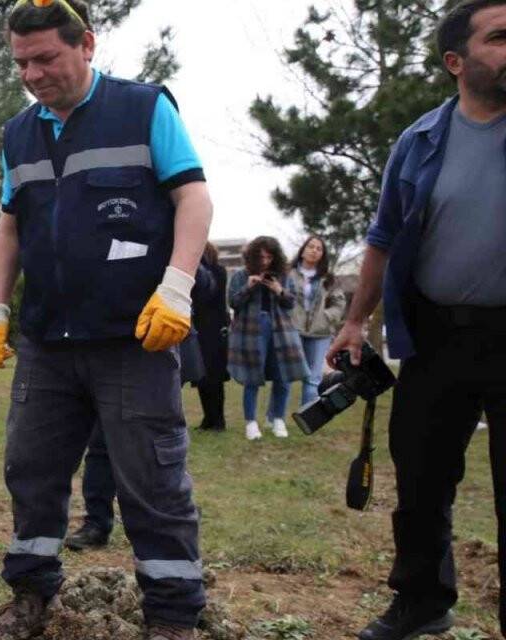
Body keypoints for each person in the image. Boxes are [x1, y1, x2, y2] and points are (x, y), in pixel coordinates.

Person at [0, 2, 214, 638]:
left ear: (87, 43)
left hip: (133, 337)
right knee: (31, 469)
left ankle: (171, 617)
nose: (32, 73)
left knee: (150, 479)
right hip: (47, 342)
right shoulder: (18, 133)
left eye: (46, 58)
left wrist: (178, 288)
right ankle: (30, 595)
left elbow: (193, 195)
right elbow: (9, 226)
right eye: (21, 61)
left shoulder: (143, 108)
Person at [326, 2, 506, 638]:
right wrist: (355, 324)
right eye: (500, 37)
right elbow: (382, 238)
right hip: (436, 337)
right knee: (421, 476)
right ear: (456, 62)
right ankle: (423, 600)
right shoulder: (421, 140)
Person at [64, 265, 215, 553]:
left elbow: (206, 286)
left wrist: (177, 261)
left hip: (160, 352)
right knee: (101, 442)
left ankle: (168, 517)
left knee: (157, 446)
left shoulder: (181, 238)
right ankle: (97, 522)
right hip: (108, 349)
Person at [227, 237, 308, 440]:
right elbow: (233, 303)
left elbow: (291, 303)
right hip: (251, 331)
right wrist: (248, 287)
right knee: (252, 376)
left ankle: (278, 419)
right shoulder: (240, 275)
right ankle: (251, 423)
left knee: (283, 376)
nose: (265, 261)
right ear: (253, 256)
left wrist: (279, 289)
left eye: (269, 257)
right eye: (261, 256)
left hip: (281, 330)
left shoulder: (282, 276)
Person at [289, 235, 345, 407]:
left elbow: (339, 302)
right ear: (302, 250)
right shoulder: (288, 273)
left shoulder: (328, 277)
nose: (314, 250)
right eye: (311, 246)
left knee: (313, 378)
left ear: (322, 254)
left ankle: (307, 415)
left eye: (319, 248)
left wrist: (326, 317)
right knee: (285, 376)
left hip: (320, 333)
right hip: (293, 330)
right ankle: (276, 419)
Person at [192, 242, 230, 431]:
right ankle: (208, 418)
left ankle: (218, 420)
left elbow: (209, 296)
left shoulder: (218, 272)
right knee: (201, 377)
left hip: (214, 330)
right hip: (198, 328)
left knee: (214, 378)